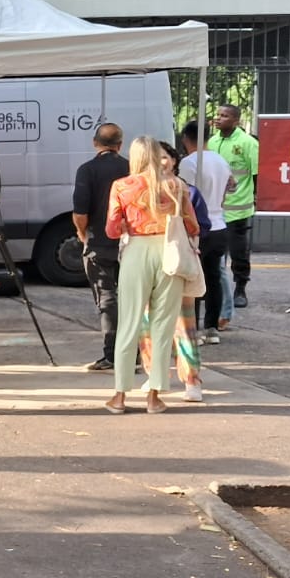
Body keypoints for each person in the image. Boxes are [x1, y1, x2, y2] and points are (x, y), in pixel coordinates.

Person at [104, 136, 199, 414]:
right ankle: (154, 396)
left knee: (129, 323)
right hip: (170, 252)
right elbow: (193, 226)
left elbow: (111, 229)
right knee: (163, 325)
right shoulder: (176, 185)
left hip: (136, 251)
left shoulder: (122, 186)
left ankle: (120, 396)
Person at [138, 141, 212, 403]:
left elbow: (200, 225)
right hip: (150, 266)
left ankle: (192, 380)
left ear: (175, 159)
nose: (161, 163)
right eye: (155, 158)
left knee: (184, 325)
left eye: (165, 157)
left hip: (176, 263)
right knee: (148, 327)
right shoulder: (137, 190)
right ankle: (155, 375)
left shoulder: (187, 191)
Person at [71, 123, 130, 371]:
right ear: (120, 144)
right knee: (130, 298)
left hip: (99, 243)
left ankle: (112, 355)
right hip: (129, 242)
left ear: (95, 143)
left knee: (107, 299)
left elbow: (80, 211)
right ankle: (134, 352)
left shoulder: (87, 170)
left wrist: (83, 233)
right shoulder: (132, 168)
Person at [178, 120, 233, 344]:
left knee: (193, 281)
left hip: (198, 228)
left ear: (185, 139)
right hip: (220, 223)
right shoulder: (221, 161)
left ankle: (194, 330)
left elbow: (186, 198)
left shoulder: (189, 163)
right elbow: (225, 192)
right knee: (213, 278)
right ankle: (211, 328)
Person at [208, 104, 260, 307]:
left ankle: (240, 288)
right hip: (215, 207)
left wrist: (256, 196)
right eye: (218, 115)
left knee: (239, 252)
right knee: (213, 251)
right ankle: (213, 288)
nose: (219, 118)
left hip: (238, 208)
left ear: (236, 120)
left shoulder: (248, 143)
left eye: (225, 116)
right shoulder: (212, 142)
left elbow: (256, 173)